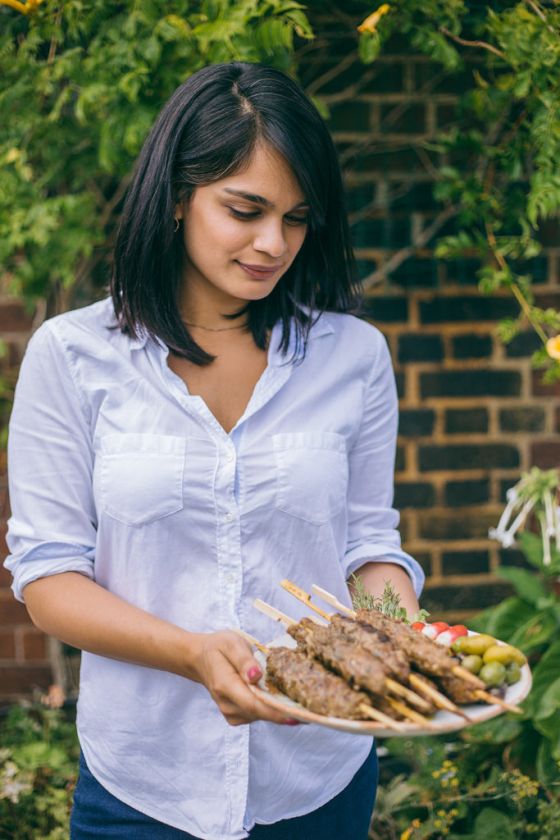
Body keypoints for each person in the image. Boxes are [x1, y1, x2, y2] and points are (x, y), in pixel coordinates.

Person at [4, 62, 424, 840]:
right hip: (143, 783)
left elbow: (369, 543)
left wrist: (386, 629)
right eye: (246, 209)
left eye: (297, 219)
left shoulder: (354, 357)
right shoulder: (71, 355)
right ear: (176, 197)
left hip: (319, 780)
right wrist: (193, 653)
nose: (274, 244)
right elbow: (50, 575)